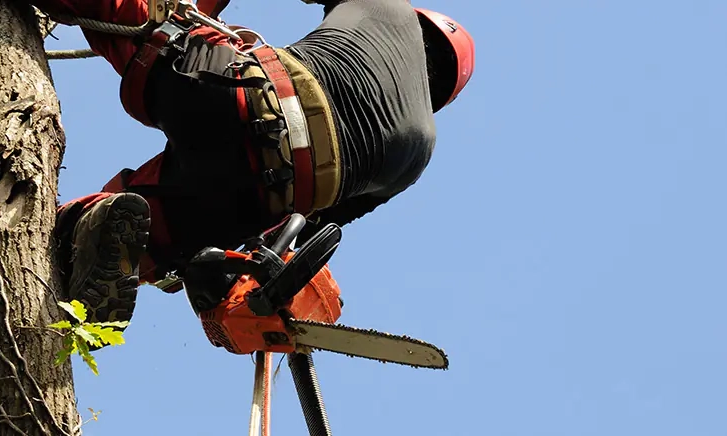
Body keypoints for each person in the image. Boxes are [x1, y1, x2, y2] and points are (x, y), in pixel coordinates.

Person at [34, 0, 476, 339]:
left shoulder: (387, 8)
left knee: (151, 16)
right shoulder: (419, 153)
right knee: (151, 222)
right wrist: (246, 288)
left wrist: (194, 12)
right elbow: (298, 234)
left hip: (234, 97)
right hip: (258, 195)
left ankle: (98, 234)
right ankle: (89, 236)